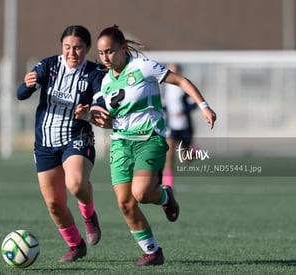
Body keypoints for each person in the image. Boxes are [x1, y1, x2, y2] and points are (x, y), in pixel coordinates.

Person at [76, 25, 216, 266]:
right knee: (125, 203)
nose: (106, 58)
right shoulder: (107, 81)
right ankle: (152, 252)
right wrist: (88, 117)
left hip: (149, 139)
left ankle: (164, 196)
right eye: (101, 54)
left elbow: (181, 81)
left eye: (110, 52)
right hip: (120, 143)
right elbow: (112, 122)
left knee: (140, 193)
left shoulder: (144, 67)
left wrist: (203, 106)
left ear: (122, 48)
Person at [16, 25, 104, 263]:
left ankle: (88, 215)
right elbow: (22, 94)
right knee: (55, 204)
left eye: (77, 48)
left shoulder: (94, 73)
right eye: (67, 47)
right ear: (61, 47)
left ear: (86, 48)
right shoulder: (48, 66)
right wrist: (27, 84)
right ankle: (76, 245)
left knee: (75, 183)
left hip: (77, 137)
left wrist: (91, 110)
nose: (72, 53)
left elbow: (101, 101)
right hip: (45, 142)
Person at [161, 63, 198, 188]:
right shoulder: (164, 89)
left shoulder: (184, 86)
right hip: (170, 127)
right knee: (169, 155)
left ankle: (193, 151)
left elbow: (193, 104)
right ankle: (168, 184)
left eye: (174, 71)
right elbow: (163, 105)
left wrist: (183, 111)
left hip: (184, 126)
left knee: (186, 159)